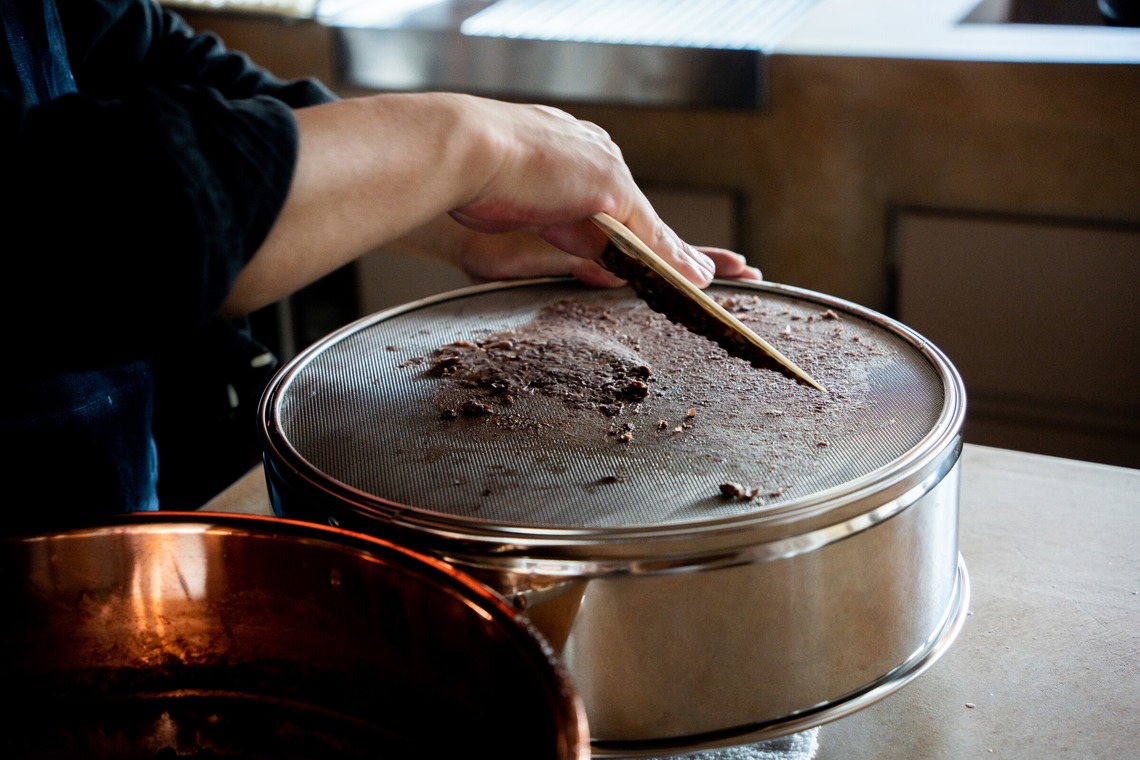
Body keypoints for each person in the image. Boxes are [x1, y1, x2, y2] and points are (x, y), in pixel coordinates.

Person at [1, 0, 760, 526]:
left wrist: (463, 220)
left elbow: (141, 57)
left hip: (109, 530)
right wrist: (466, 145)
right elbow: (82, 226)